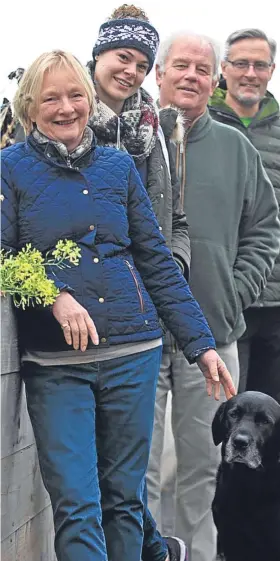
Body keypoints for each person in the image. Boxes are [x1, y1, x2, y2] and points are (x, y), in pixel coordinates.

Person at [0, 50, 235, 561]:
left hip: (134, 352)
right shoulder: (9, 169)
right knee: (77, 505)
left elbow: (155, 258)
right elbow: (3, 254)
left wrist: (201, 345)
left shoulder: (117, 167)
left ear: (90, 99)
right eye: (51, 98)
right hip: (57, 365)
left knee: (123, 503)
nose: (67, 108)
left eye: (76, 95)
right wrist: (53, 298)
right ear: (29, 107)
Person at [146, 31, 280, 561]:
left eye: (203, 69)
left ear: (215, 79)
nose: (191, 77)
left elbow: (266, 230)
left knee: (207, 466)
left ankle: (199, 557)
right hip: (141, 335)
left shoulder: (236, 148)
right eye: (181, 66)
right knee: (142, 465)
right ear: (160, 74)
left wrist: (235, 293)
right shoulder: (133, 141)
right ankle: (148, 552)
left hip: (214, 337)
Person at [87, 5, 190, 561]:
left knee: (125, 466)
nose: (130, 70)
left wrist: (167, 279)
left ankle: (150, 549)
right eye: (122, 56)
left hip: (138, 318)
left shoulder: (159, 129)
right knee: (90, 470)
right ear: (100, 53)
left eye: (142, 62)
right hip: (72, 313)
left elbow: (175, 222)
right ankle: (157, 550)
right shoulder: (59, 108)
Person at [209, 28, 280, 414]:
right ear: (224, 69)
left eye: (259, 64)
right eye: (241, 63)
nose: (250, 72)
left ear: (271, 70)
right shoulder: (201, 131)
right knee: (227, 420)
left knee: (274, 423)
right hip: (229, 300)